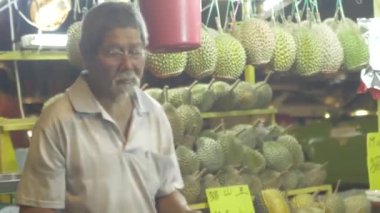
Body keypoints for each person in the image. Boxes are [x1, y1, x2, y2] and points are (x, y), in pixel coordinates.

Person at [16, 2, 199, 213]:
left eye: (136, 52)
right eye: (114, 52)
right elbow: (37, 208)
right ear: (87, 56)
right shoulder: (57, 122)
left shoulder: (154, 114)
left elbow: (165, 194)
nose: (128, 64)